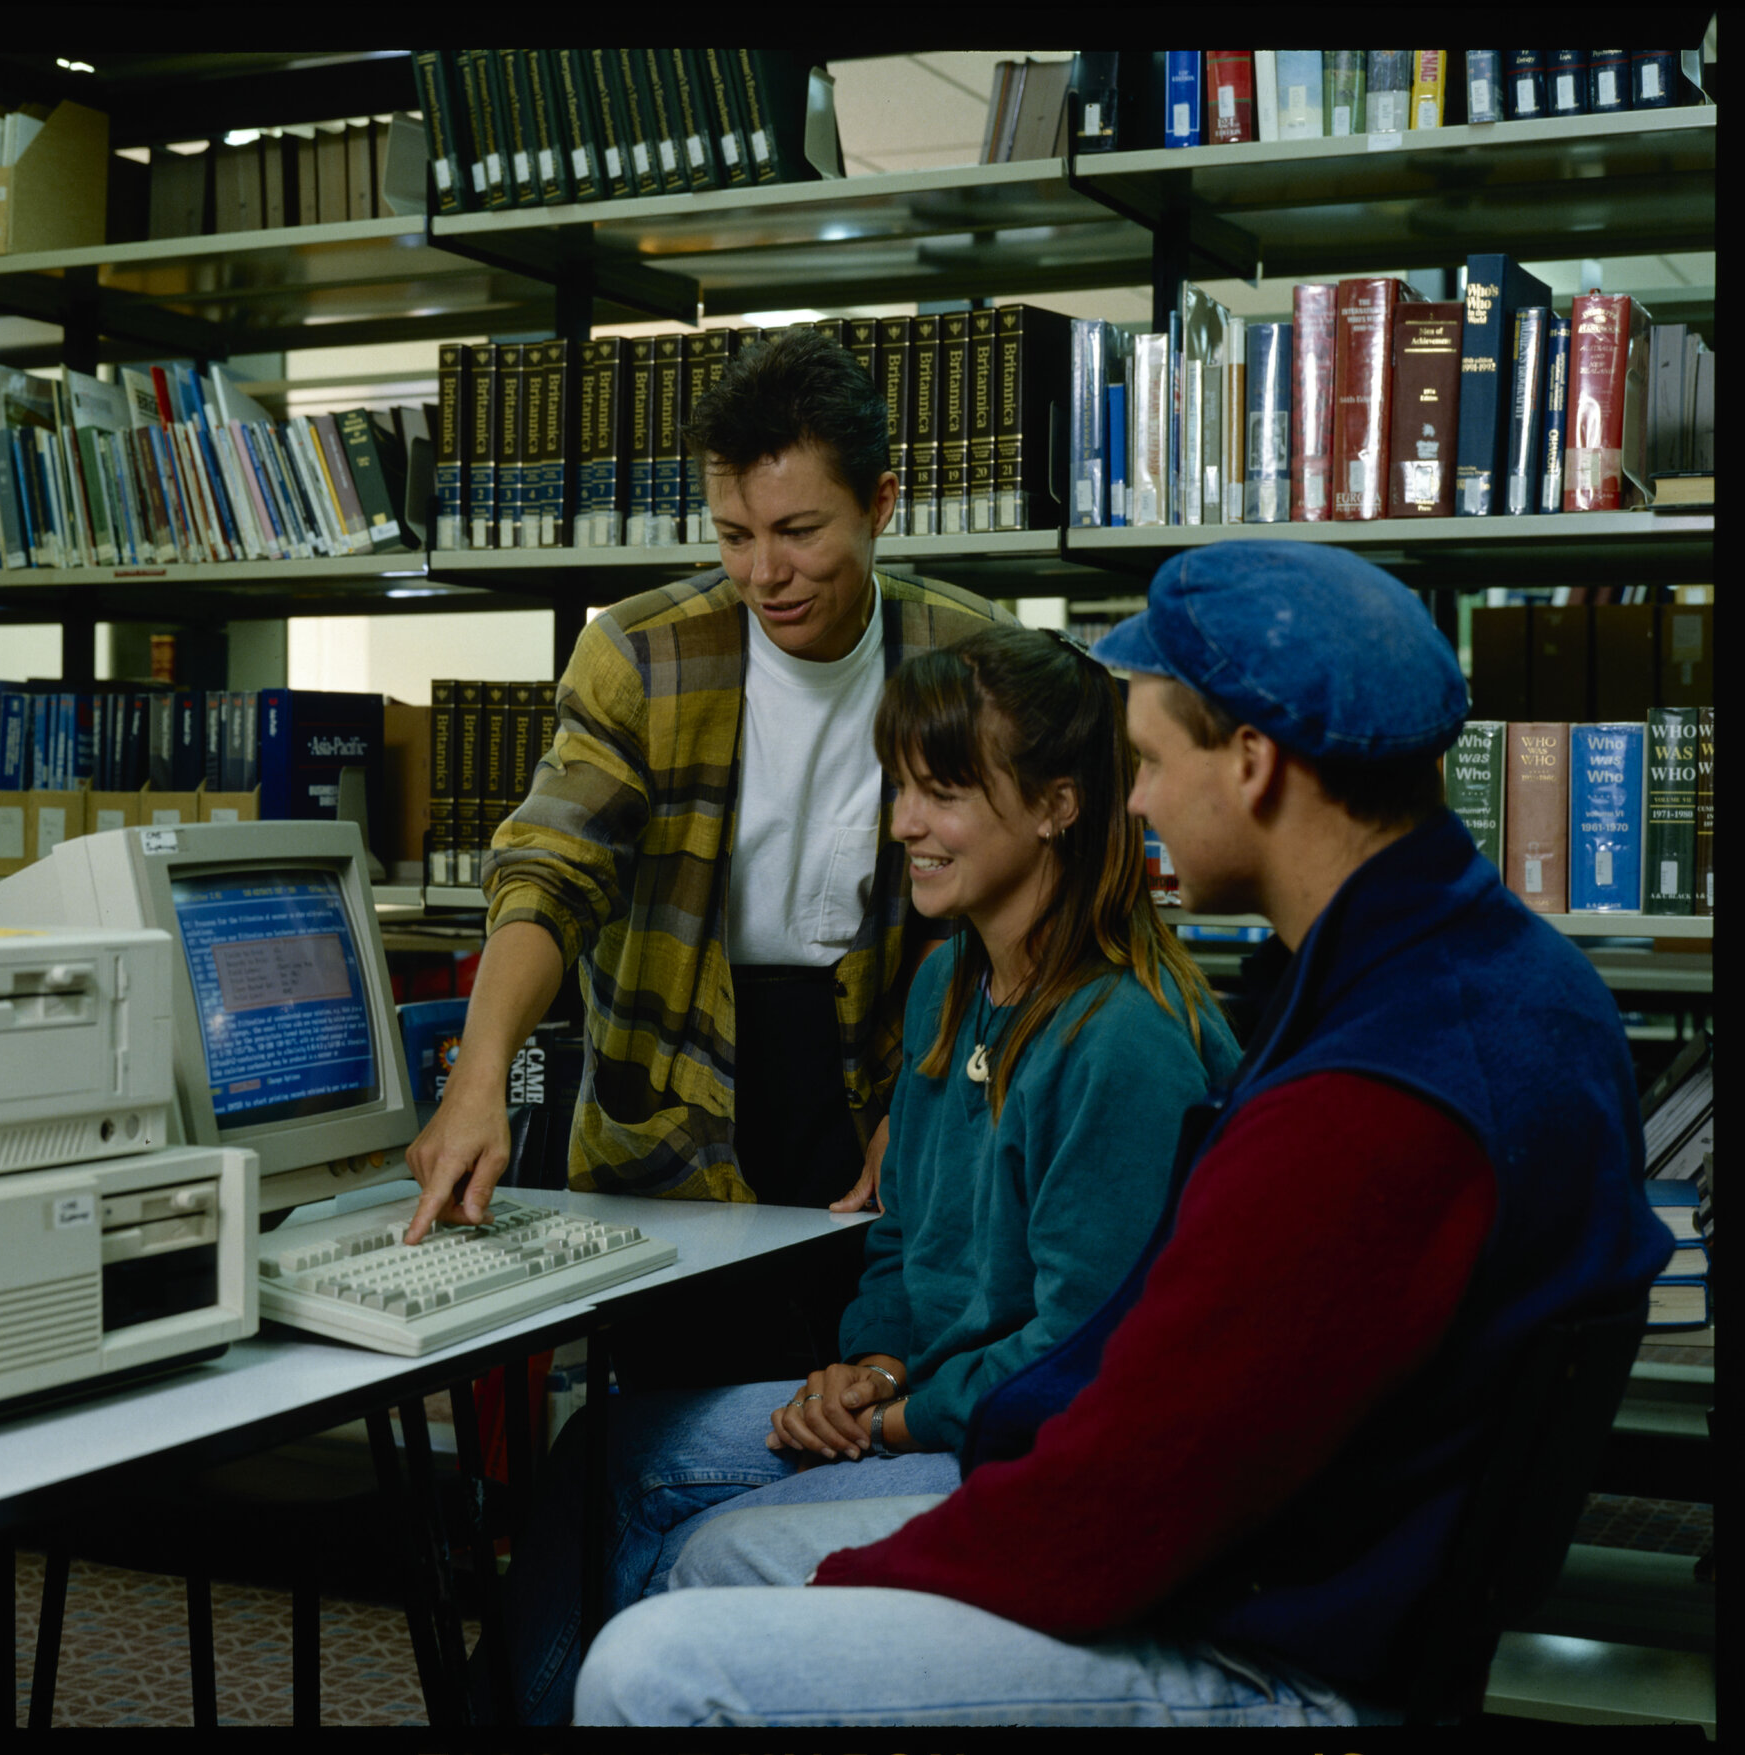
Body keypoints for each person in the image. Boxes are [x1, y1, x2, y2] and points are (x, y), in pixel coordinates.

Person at [571, 541, 1676, 1729]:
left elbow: (1129, 1495)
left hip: (1279, 1643)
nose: (1133, 798)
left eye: (1149, 760)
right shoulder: (1507, 982)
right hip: (1323, 1573)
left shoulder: (1367, 1100)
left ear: (1249, 764)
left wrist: (850, 1593)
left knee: (662, 1664)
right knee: (717, 1565)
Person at [483, 622, 1239, 1724]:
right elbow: (902, 1236)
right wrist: (872, 1361)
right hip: (929, 1395)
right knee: (605, 1446)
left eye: (941, 795)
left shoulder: (1119, 1039)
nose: (901, 828)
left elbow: (1079, 1358)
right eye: (897, 790)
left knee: (701, 1546)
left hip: (1020, 1446)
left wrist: (892, 1416)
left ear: (1056, 805)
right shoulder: (951, 984)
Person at [403, 329, 1013, 1371]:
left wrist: (922, 1102)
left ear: (880, 506)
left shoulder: (969, 656)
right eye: (733, 536)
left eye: (797, 532)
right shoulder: (641, 652)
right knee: (660, 1426)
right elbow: (551, 869)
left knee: (857, 1402)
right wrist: (480, 1075)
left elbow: (1011, 920)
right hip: (672, 1106)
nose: (762, 574)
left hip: (877, 1079)